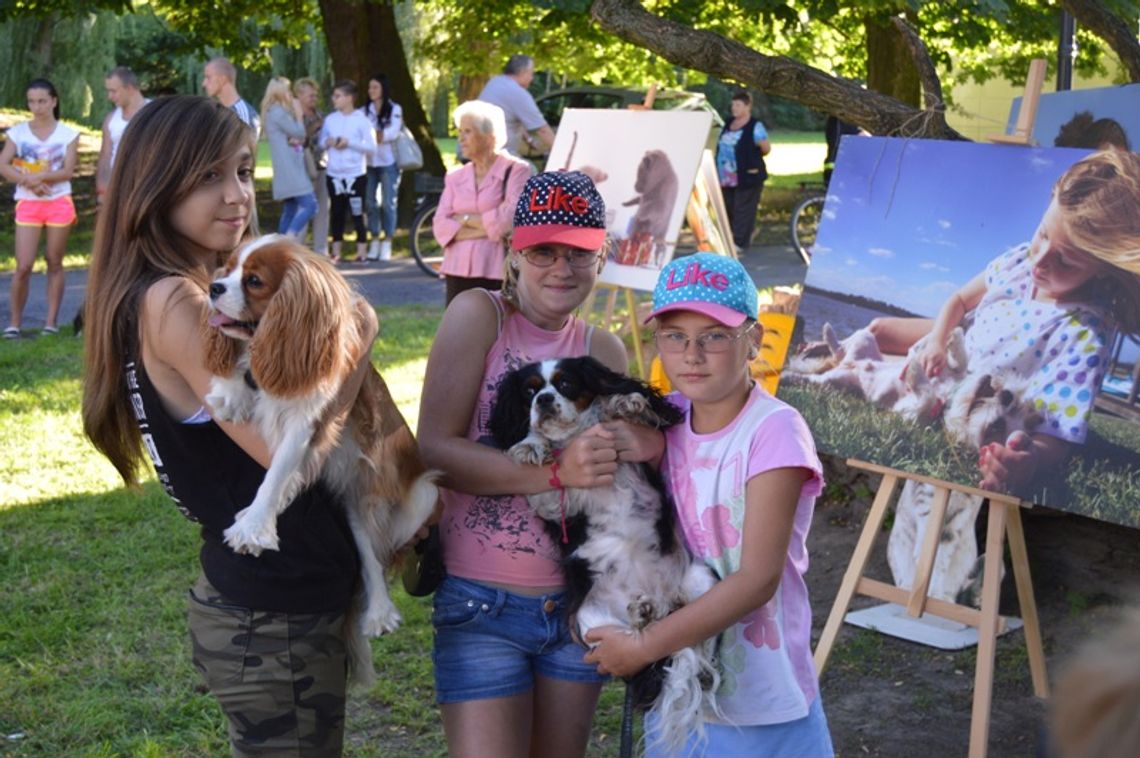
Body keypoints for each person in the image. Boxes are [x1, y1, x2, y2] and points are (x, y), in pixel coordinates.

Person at [80, 95, 377, 754]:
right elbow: (288, 451)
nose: (236, 193)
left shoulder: (177, 288)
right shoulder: (176, 300)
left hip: (269, 605)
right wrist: (359, 340)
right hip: (272, 619)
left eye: (243, 170)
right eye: (209, 176)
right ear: (155, 185)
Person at [418, 171, 649, 758]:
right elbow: (435, 451)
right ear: (514, 253)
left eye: (580, 253)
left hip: (579, 607)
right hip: (484, 605)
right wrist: (554, 473)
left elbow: (624, 474)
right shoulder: (480, 316)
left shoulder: (603, 350)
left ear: (603, 256)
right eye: (544, 250)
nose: (562, 268)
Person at [584, 252, 834, 757]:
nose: (692, 354)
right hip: (679, 687)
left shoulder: (774, 432)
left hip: (761, 694)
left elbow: (757, 579)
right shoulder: (667, 420)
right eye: (674, 336)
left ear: (753, 341)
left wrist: (642, 647)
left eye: (714, 335)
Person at [868, 149, 1140, 493]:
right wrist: (938, 340)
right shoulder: (1019, 262)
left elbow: (1058, 434)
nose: (1039, 262)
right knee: (876, 330)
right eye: (1042, 235)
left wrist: (1031, 461)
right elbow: (960, 300)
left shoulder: (1084, 333)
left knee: (888, 369)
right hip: (957, 344)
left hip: (968, 385)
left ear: (1104, 267)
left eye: (1066, 261)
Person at [0, 78, 79, 339]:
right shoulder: (18, 133)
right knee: (23, 265)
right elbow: (4, 164)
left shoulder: (67, 133)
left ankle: (51, 322)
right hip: (29, 204)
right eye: (32, 101)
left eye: (42, 101)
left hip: (58, 203)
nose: (37, 106)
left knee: (54, 261)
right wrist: (28, 182)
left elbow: (67, 171)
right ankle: (14, 323)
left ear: (54, 101)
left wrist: (39, 180)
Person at [433, 100, 531, 305]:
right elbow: (440, 225)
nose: (460, 138)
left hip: (497, 268)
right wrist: (488, 228)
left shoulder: (516, 171)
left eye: (468, 131)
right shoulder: (455, 176)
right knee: (459, 332)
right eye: (460, 131)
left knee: (497, 330)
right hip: (457, 268)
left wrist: (464, 219)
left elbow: (509, 221)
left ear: (490, 137)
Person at [319, 80, 376, 263]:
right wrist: (328, 142)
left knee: (358, 212)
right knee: (337, 212)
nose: (333, 99)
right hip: (334, 173)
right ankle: (336, 252)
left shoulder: (362, 120)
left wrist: (349, 143)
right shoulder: (330, 119)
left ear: (349, 98)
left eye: (338, 96)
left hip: (355, 174)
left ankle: (362, 251)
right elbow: (321, 142)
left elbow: (372, 147)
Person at [260, 75, 318, 238]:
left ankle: (280, 243)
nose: (291, 94)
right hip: (290, 169)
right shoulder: (278, 112)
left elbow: (294, 137)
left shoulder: (274, 112)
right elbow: (300, 132)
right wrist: (299, 115)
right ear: (280, 92)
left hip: (287, 167)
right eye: (288, 90)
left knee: (290, 209)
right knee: (310, 204)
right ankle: (289, 237)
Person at [717, 90, 771, 253]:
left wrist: (750, 154)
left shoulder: (755, 126)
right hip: (726, 176)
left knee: (743, 209)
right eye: (733, 104)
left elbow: (766, 148)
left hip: (748, 175)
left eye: (738, 105)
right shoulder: (728, 123)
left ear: (748, 106)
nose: (734, 108)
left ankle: (740, 242)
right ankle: (732, 239)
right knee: (729, 208)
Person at [477, 54, 555, 159]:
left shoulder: (495, 82)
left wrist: (529, 140)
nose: (531, 78)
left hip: (474, 150)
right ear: (523, 72)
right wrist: (562, 153)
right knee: (529, 171)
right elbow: (542, 130)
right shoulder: (518, 93)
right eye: (531, 73)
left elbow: (511, 118)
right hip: (494, 156)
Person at [95, 66, 151, 203]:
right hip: (118, 189)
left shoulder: (155, 113)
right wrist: (102, 190)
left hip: (148, 187)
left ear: (130, 88)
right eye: (108, 91)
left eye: (113, 91)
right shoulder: (111, 119)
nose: (110, 97)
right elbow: (105, 157)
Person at [363, 73, 403, 261]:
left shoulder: (395, 109)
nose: (371, 91)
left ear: (383, 89)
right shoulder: (364, 111)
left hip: (388, 162)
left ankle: (387, 240)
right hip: (369, 163)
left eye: (375, 87)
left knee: (388, 203)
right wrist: (376, 136)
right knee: (370, 202)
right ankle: (375, 238)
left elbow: (391, 133)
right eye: (370, 87)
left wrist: (374, 136)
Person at [294, 77, 330, 256]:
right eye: (310, 95)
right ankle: (297, 249)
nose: (314, 99)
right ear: (299, 95)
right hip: (303, 169)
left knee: (322, 210)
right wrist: (314, 127)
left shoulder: (321, 115)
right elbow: (297, 140)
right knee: (304, 208)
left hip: (322, 166)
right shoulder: (294, 117)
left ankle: (321, 250)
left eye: (315, 95)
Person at [201, 57, 259, 133]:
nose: (204, 83)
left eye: (208, 77)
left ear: (223, 79)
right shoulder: (215, 113)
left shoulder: (242, 115)